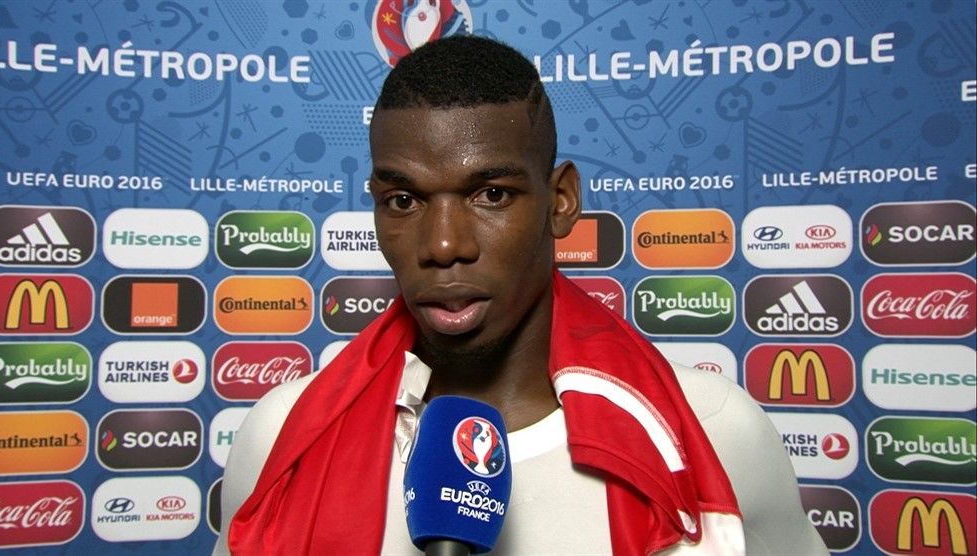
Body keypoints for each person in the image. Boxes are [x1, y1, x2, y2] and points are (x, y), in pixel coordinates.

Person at [214, 35, 827, 555]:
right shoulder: (281, 438)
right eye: (403, 200)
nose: (444, 245)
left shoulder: (715, 433)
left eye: (492, 195)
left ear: (561, 202)